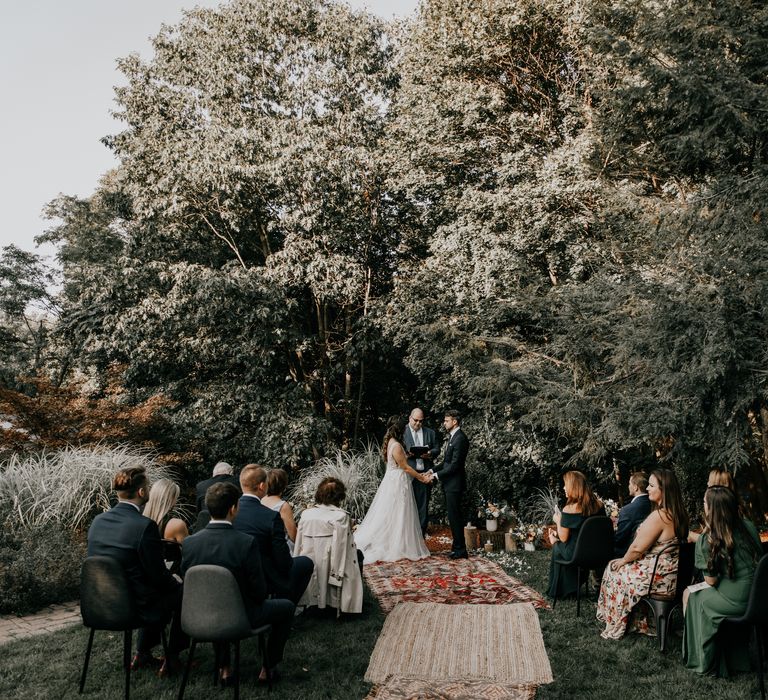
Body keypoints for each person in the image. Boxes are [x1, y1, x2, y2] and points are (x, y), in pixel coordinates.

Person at [181, 482, 295, 686]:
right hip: (242, 617)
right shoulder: (245, 542)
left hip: (198, 616)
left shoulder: (190, 543)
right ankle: (268, 668)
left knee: (216, 601)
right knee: (286, 607)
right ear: (233, 508)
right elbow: (259, 592)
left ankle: (224, 668)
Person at [87, 466, 186, 676]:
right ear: (142, 492)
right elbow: (158, 576)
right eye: (148, 486)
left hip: (100, 604)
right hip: (134, 606)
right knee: (183, 593)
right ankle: (173, 658)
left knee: (152, 591)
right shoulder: (144, 526)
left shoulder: (98, 521)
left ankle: (143, 654)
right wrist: (177, 581)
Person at [596, 467, 689, 640]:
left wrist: (623, 560)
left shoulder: (659, 516)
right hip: (672, 576)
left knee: (613, 568)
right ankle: (638, 620)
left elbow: (637, 548)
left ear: (664, 490)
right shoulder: (679, 514)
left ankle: (617, 621)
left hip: (656, 578)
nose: (647, 489)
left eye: (652, 486)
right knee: (618, 566)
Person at [683, 485, 762, 676]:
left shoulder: (707, 539)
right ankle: (736, 659)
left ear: (712, 508)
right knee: (694, 594)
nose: (703, 505)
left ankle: (705, 662)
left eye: (704, 502)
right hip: (759, 596)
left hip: (736, 600)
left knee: (694, 598)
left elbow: (711, 581)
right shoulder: (748, 526)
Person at [354, 415, 431, 564]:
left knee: (395, 513)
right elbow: (406, 467)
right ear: (401, 429)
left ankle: (398, 543)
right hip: (398, 483)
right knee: (399, 513)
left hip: (393, 480)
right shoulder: (396, 445)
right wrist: (422, 478)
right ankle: (397, 546)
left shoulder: (391, 442)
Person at [233, 464, 314, 605]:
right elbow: (283, 562)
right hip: (264, 575)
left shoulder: (231, 511)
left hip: (237, 571)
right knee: (305, 563)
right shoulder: (271, 516)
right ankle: (286, 606)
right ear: (262, 486)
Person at [294, 477, 364, 614]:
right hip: (333, 560)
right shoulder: (340, 517)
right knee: (358, 555)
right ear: (339, 496)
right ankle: (346, 603)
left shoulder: (306, 514)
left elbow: (299, 542)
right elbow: (343, 546)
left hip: (310, 558)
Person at [546, 471, 603, 598]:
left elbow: (564, 538)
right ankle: (571, 586)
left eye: (566, 485)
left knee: (557, 546)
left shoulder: (569, 509)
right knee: (560, 545)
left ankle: (560, 590)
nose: (563, 487)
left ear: (574, 487)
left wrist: (558, 520)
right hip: (597, 552)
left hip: (577, 554)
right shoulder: (599, 505)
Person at [428, 409, 470, 559]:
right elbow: (446, 462)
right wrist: (431, 470)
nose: (444, 423)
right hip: (449, 484)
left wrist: (435, 475)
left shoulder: (460, 439)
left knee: (455, 516)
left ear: (455, 421)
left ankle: (460, 550)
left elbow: (454, 466)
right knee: (452, 516)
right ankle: (457, 547)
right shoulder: (453, 437)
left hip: (455, 484)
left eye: (447, 420)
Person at [403, 407, 440, 537]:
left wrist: (429, 453)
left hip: (424, 474)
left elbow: (437, 449)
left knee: (423, 506)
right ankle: (407, 536)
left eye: (421, 421)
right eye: (416, 420)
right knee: (406, 506)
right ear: (410, 418)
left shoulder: (430, 432)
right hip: (408, 474)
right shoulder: (402, 432)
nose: (418, 423)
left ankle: (421, 535)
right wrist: (407, 454)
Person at [689, 469, 738, 543]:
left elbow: (712, 542)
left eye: (710, 481)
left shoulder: (723, 513)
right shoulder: (734, 506)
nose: (707, 483)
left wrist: (690, 535)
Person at [614, 472, 652, 557]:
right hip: (651, 550)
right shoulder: (655, 504)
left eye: (629, 484)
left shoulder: (627, 510)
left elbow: (620, 540)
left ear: (635, 487)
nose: (628, 486)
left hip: (630, 553)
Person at [261, 468, 297, 554]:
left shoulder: (259, 501)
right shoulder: (283, 506)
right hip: (280, 549)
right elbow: (293, 536)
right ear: (283, 485)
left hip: (263, 546)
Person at [143, 478, 189, 544]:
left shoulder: (139, 522)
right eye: (176, 498)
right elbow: (188, 552)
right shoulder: (177, 525)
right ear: (171, 499)